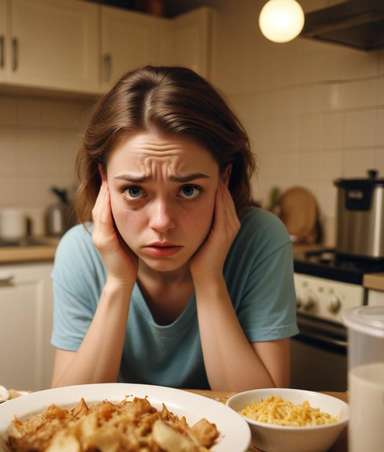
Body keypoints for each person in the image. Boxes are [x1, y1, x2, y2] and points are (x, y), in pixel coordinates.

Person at [50, 65, 298, 391]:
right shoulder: (79, 251)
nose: (162, 222)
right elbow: (68, 411)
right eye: (135, 191)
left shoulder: (261, 239)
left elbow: (265, 411)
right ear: (104, 181)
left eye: (189, 190)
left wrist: (209, 280)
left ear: (223, 180)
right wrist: (118, 282)